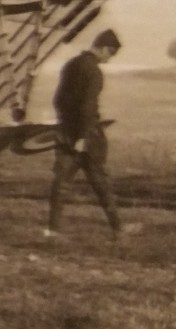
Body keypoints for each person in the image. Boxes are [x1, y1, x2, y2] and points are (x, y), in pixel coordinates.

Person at [45, 29, 127, 240]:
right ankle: (118, 229)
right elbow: (88, 107)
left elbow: (58, 100)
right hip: (87, 135)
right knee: (100, 181)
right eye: (111, 53)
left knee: (61, 183)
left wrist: (66, 125)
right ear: (104, 48)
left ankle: (52, 230)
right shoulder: (94, 72)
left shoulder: (70, 65)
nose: (109, 59)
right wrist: (82, 137)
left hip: (65, 131)